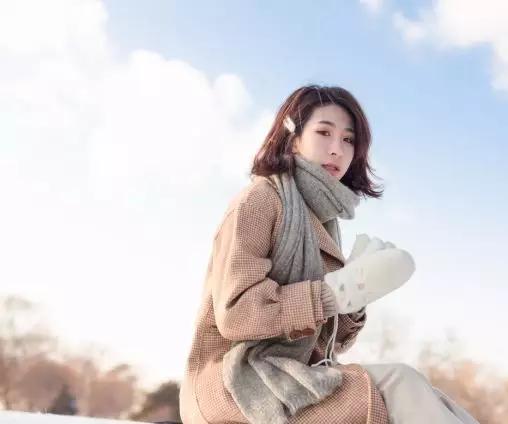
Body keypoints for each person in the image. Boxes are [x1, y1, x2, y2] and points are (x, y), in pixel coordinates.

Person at [179, 85, 479, 424]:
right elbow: (236, 314)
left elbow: (330, 343)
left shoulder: (322, 221)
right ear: (293, 138)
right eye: (324, 133)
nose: (337, 149)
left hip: (293, 376)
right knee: (399, 385)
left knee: (429, 396)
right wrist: (333, 293)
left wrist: (355, 296)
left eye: (348, 140)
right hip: (234, 384)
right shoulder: (259, 200)